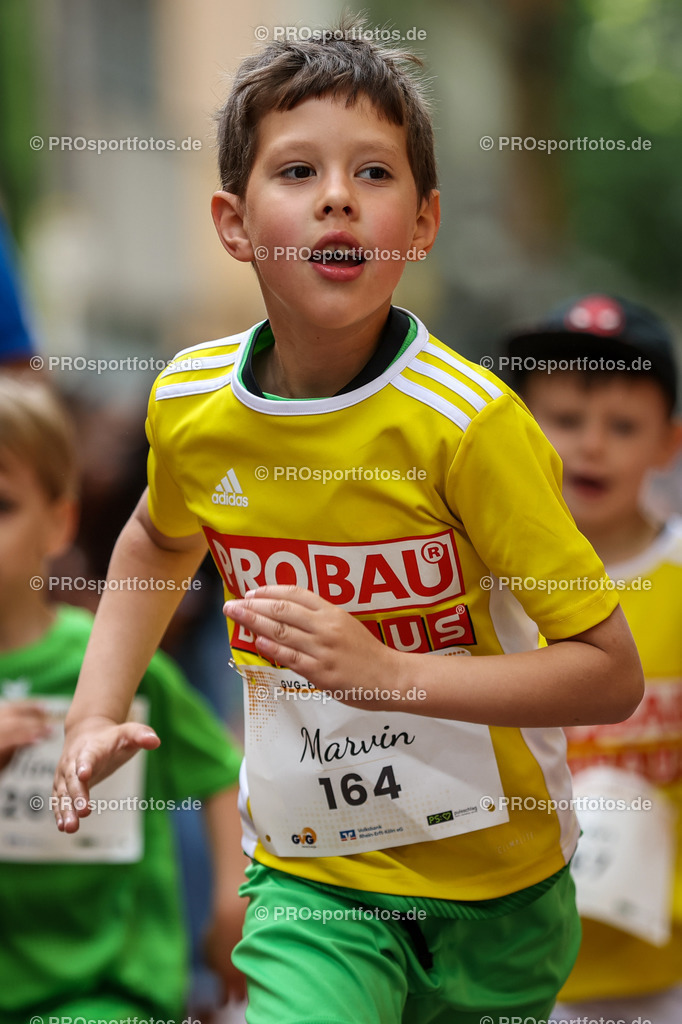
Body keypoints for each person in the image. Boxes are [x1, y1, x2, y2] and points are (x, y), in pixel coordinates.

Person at [53, 23, 643, 1024]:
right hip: (312, 880)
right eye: (298, 170)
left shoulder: (468, 426)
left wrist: (384, 671)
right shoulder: (191, 402)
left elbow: (607, 669)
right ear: (234, 224)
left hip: (499, 893)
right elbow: (160, 536)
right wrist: (93, 708)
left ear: (421, 223)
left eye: (373, 171)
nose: (337, 195)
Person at [0, 373, 245, 1023]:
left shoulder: (112, 666)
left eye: (1, 505)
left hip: (107, 992)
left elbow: (219, 768)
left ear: (60, 522)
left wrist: (230, 899)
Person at [504, 293, 682, 1024]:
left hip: (665, 967)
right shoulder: (486, 590)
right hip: (513, 968)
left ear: (668, 443)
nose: (591, 446)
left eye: (623, 425)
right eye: (566, 421)